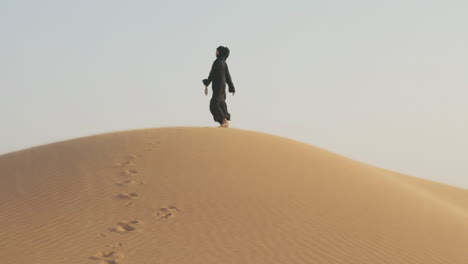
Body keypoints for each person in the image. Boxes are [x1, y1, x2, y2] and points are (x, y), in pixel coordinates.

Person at [203, 46, 236, 127]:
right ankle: (224, 122)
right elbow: (228, 77)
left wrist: (207, 84)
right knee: (221, 102)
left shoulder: (217, 62)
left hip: (218, 85)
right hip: (222, 86)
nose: (216, 52)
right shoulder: (224, 63)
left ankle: (223, 121)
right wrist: (231, 87)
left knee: (214, 103)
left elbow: (212, 74)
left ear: (220, 52)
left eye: (217, 51)